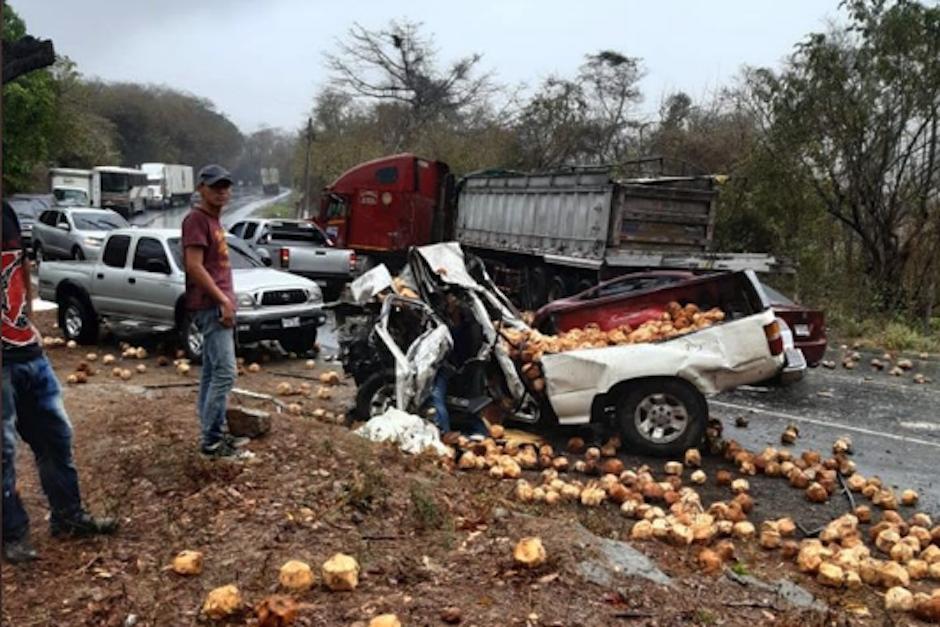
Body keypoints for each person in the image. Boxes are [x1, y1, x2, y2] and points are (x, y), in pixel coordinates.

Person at [2, 200, 117, 563]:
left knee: (55, 437)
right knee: (3, 454)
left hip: (27, 352)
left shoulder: (4, 212)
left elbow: (19, 267)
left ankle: (68, 517)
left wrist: (29, 320)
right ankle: (13, 533)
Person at [182, 165, 251, 460]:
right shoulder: (197, 220)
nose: (221, 191)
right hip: (210, 306)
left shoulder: (213, 222)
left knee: (211, 373)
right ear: (201, 189)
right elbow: (194, 266)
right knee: (225, 372)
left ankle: (213, 430)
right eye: (214, 186)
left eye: (225, 186)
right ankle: (211, 442)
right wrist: (222, 300)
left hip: (217, 304)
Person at [429, 294, 487, 437]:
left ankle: (444, 431)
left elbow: (452, 349)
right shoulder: (473, 327)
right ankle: (479, 433)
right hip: (464, 368)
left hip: (453, 367)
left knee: (435, 395)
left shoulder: (461, 331)